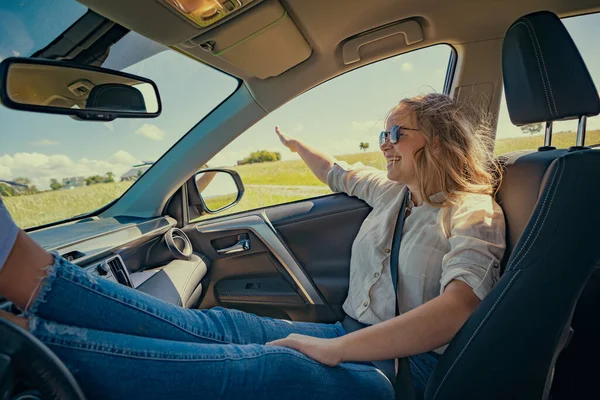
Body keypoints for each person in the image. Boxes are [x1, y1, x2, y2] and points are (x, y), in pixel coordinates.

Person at [0, 93, 505, 400]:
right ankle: (34, 287)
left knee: (269, 364)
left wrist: (333, 350)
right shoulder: (394, 192)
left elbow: (458, 309)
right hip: (352, 333)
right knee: (223, 326)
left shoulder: (474, 211)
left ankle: (28, 346)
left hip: (405, 372)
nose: (384, 144)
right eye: (381, 134)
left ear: (436, 141)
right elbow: (338, 172)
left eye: (395, 133)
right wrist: (295, 146)